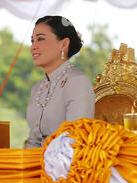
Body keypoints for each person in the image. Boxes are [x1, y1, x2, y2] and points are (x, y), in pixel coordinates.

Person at [24, 16, 95, 148]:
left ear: (63, 44)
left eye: (40, 39)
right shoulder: (37, 88)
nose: (33, 47)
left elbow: (76, 139)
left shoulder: (78, 82)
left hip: (66, 163)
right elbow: (32, 141)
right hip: (35, 162)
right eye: (32, 41)